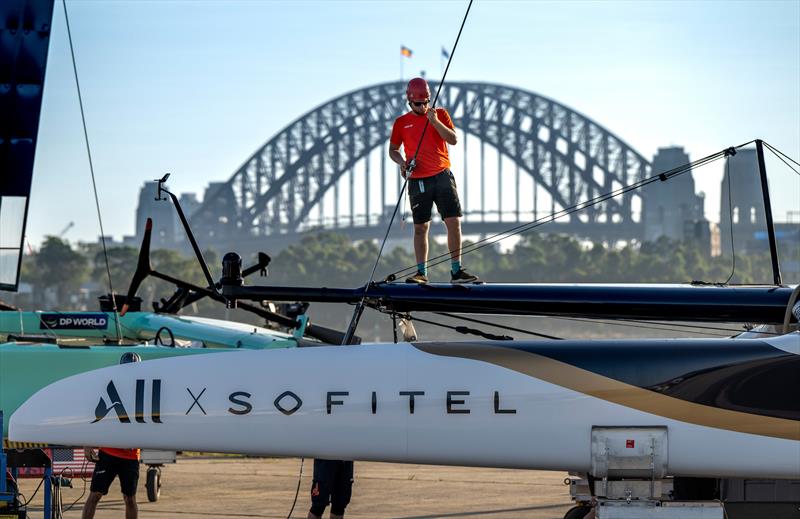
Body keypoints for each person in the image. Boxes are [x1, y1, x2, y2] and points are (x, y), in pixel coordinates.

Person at [389, 77, 478, 285]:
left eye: (426, 102)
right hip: (418, 180)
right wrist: (402, 163)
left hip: (442, 175)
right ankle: (422, 273)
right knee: (421, 227)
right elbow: (393, 150)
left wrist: (434, 121)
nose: (423, 107)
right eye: (418, 104)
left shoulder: (440, 114)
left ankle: (456, 271)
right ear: (409, 102)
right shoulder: (401, 123)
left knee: (453, 222)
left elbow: (453, 140)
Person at [82, 352, 142, 519]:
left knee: (130, 498)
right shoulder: (110, 385)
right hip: (108, 453)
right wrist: (87, 444)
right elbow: (94, 415)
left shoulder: (144, 390)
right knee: (95, 495)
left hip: (130, 456)